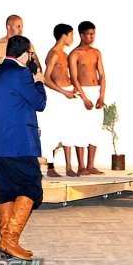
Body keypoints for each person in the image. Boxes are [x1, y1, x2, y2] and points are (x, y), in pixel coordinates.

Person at [0, 35, 46, 261]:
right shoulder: (21, 74)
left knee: (7, 191)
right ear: (24, 53)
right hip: (18, 144)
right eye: (30, 53)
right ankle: (10, 241)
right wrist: (39, 81)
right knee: (31, 188)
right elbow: (39, 103)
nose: (31, 57)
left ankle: (5, 243)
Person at [0, 14, 41, 178]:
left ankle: (23, 167)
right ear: (8, 27)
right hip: (3, 95)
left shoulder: (28, 45)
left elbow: (37, 67)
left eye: (22, 26)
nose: (21, 29)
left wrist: (33, 82)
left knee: (22, 128)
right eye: (18, 26)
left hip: (22, 93)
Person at [68, 21, 106, 175]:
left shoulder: (96, 52)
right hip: (82, 93)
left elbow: (102, 75)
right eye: (89, 34)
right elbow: (73, 78)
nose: (92, 37)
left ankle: (91, 165)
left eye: (93, 34)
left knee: (95, 128)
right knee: (81, 128)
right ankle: (81, 166)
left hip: (95, 91)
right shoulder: (75, 54)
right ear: (82, 35)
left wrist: (101, 95)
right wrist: (83, 98)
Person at [42, 23, 79, 177]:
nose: (72, 38)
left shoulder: (65, 54)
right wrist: (63, 92)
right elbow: (46, 78)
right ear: (63, 36)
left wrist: (73, 87)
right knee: (53, 130)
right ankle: (50, 167)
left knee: (69, 129)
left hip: (67, 93)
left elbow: (65, 74)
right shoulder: (54, 54)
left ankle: (69, 167)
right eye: (71, 35)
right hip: (57, 95)